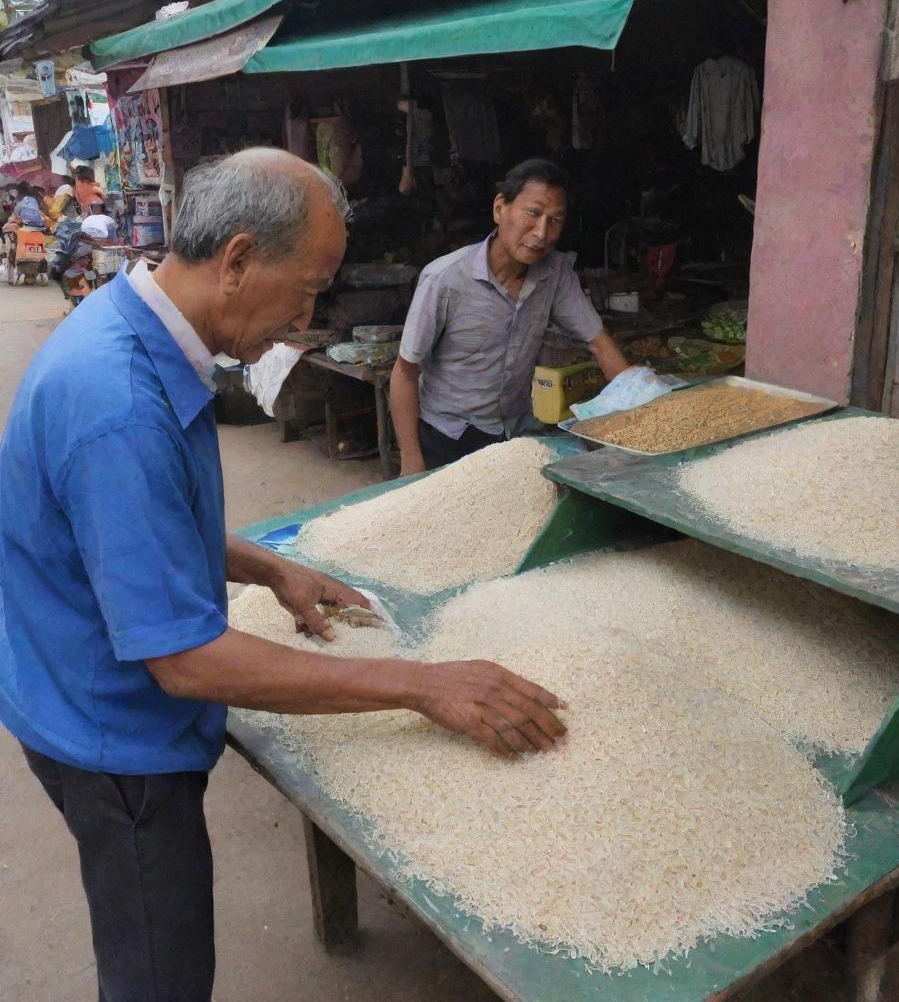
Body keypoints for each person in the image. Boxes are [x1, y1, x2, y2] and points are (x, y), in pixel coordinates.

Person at [0, 148, 567, 1002]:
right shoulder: (118, 401)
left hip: (70, 684)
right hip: (109, 737)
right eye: (306, 290)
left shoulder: (131, 324)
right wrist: (419, 685)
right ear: (235, 259)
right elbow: (184, 660)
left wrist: (270, 568)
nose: (306, 317)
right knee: (159, 973)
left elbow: (143, 522)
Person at [390, 158, 630, 474]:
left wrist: (640, 405)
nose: (542, 232)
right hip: (449, 437)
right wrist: (411, 459)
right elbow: (406, 371)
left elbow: (599, 343)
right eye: (532, 213)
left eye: (555, 220)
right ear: (500, 209)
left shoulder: (555, 273)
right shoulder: (445, 279)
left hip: (513, 433)